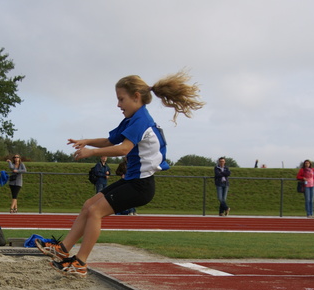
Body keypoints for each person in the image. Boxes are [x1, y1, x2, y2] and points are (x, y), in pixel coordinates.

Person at [35, 71, 204, 277]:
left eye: (121, 99)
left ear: (136, 96)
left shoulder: (142, 120)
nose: (118, 105)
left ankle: (80, 262)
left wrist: (92, 153)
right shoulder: (132, 119)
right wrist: (86, 141)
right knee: (89, 205)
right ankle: (63, 249)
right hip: (132, 180)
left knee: (96, 211)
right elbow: (110, 141)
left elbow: (123, 149)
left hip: (141, 186)